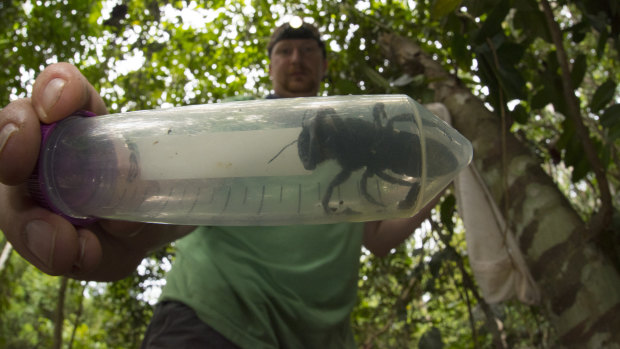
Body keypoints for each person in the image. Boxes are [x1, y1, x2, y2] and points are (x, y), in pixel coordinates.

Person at [0, 21, 435, 347]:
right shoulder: (237, 117)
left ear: (324, 63)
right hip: (212, 319)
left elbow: (378, 236)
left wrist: (439, 176)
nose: (297, 59)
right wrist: (123, 222)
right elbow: (179, 197)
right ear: (270, 64)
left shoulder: (364, 124)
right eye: (285, 51)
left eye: (307, 51)